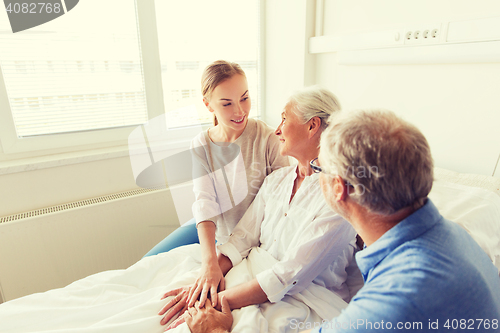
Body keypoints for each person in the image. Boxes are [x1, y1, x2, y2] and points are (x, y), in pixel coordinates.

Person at [184, 108, 500, 333]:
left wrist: (214, 331)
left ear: (339, 189)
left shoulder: (396, 298)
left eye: (320, 169)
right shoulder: (454, 235)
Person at [159, 87, 357, 329]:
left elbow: (288, 275)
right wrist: (204, 283)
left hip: (302, 299)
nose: (277, 130)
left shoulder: (339, 196)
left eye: (284, 119)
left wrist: (214, 301)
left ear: (312, 126)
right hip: (249, 274)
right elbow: (242, 238)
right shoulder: (278, 180)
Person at [145, 60, 289, 310]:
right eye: (227, 103)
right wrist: (209, 261)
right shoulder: (201, 144)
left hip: (251, 240)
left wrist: (222, 261)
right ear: (207, 104)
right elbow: (204, 203)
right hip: (216, 228)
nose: (240, 111)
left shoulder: (267, 138)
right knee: (149, 262)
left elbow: (281, 204)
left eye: (245, 98)